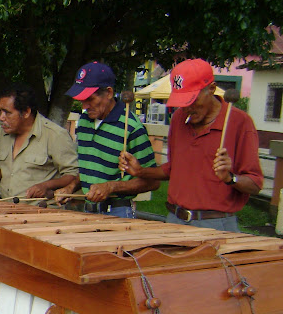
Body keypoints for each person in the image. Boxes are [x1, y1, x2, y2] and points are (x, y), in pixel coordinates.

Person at [0, 83, 78, 314]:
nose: (1, 117)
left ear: (26, 112)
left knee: (33, 285)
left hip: (38, 221)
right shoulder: (4, 134)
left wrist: (47, 185)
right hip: (5, 217)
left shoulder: (54, 136)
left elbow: (73, 175)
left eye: (7, 112)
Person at [119, 58, 262, 231]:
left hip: (215, 224)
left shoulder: (240, 123)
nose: (187, 108)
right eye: (182, 102)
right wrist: (141, 171)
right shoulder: (179, 118)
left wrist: (230, 178)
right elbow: (174, 168)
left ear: (211, 89)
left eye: (192, 100)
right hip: (175, 219)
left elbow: (255, 184)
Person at [59, 62, 159, 217]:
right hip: (88, 211)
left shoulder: (132, 127)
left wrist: (111, 187)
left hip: (117, 212)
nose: (84, 106)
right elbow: (90, 168)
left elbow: (153, 181)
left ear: (109, 93)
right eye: (81, 100)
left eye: (90, 99)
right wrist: (71, 187)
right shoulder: (84, 121)